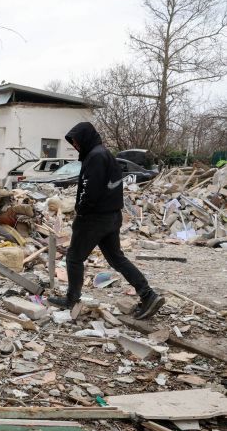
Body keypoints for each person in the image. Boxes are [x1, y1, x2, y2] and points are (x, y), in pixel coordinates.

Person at [49, 122, 164, 320]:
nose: (75, 145)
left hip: (94, 218)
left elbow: (89, 190)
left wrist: (81, 213)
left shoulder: (95, 157)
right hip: (112, 216)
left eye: (76, 141)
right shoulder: (105, 154)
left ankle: (71, 299)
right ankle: (148, 295)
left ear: (85, 138)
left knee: (74, 258)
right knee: (117, 258)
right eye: (73, 143)